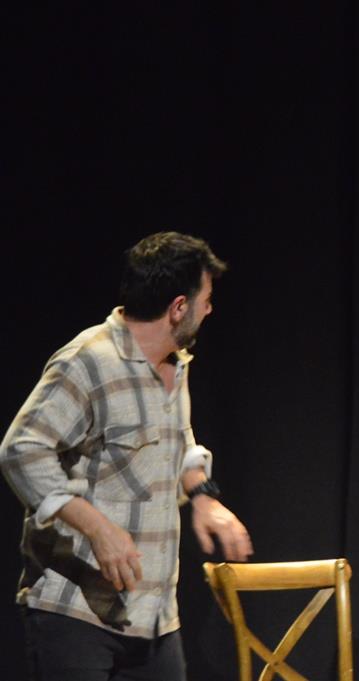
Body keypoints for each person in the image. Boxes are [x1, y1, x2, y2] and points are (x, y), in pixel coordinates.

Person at [1, 232, 253, 681]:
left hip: (153, 616)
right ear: (178, 307)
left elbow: (178, 442)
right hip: (76, 609)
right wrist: (97, 527)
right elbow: (22, 449)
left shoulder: (176, 364)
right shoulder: (88, 361)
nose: (210, 310)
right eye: (206, 300)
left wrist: (203, 497)